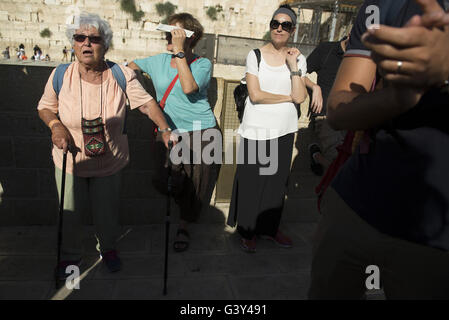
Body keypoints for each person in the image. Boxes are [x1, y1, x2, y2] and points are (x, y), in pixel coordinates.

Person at [309, 0, 449, 299]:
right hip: (355, 204)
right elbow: (339, 110)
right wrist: (404, 94)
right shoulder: (381, 5)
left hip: (436, 232)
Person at [37, 12, 173, 276]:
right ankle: (70, 256)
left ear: (105, 45)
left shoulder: (120, 75)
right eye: (80, 38)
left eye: (94, 39)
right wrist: (56, 126)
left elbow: (146, 104)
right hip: (70, 160)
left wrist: (165, 129)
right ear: (73, 43)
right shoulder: (60, 74)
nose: (87, 43)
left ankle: (108, 248)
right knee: (69, 212)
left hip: (110, 160)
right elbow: (45, 107)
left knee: (107, 212)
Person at [128, 13, 219, 253]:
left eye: (175, 33)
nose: (169, 37)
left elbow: (189, 88)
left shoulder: (202, 64)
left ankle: (184, 225)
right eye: (168, 33)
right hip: (168, 131)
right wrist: (142, 96)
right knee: (163, 178)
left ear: (190, 37)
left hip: (202, 131)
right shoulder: (157, 61)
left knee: (198, 184)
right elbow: (128, 69)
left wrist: (180, 52)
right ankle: (183, 210)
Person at [226, 4, 307, 253]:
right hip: (256, 129)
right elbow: (256, 95)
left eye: (285, 25)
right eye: (275, 23)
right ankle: (248, 231)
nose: (279, 29)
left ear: (292, 30)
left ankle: (269, 230)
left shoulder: (298, 58)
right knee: (253, 183)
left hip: (284, 129)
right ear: (270, 26)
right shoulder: (256, 55)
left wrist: (293, 66)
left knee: (275, 184)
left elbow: (301, 96)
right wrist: (287, 97)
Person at [304, 36, 349, 175]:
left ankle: (316, 155)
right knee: (339, 166)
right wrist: (315, 87)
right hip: (325, 117)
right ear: (350, 32)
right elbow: (299, 73)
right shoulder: (326, 49)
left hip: (350, 119)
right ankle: (317, 156)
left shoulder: (363, 59)